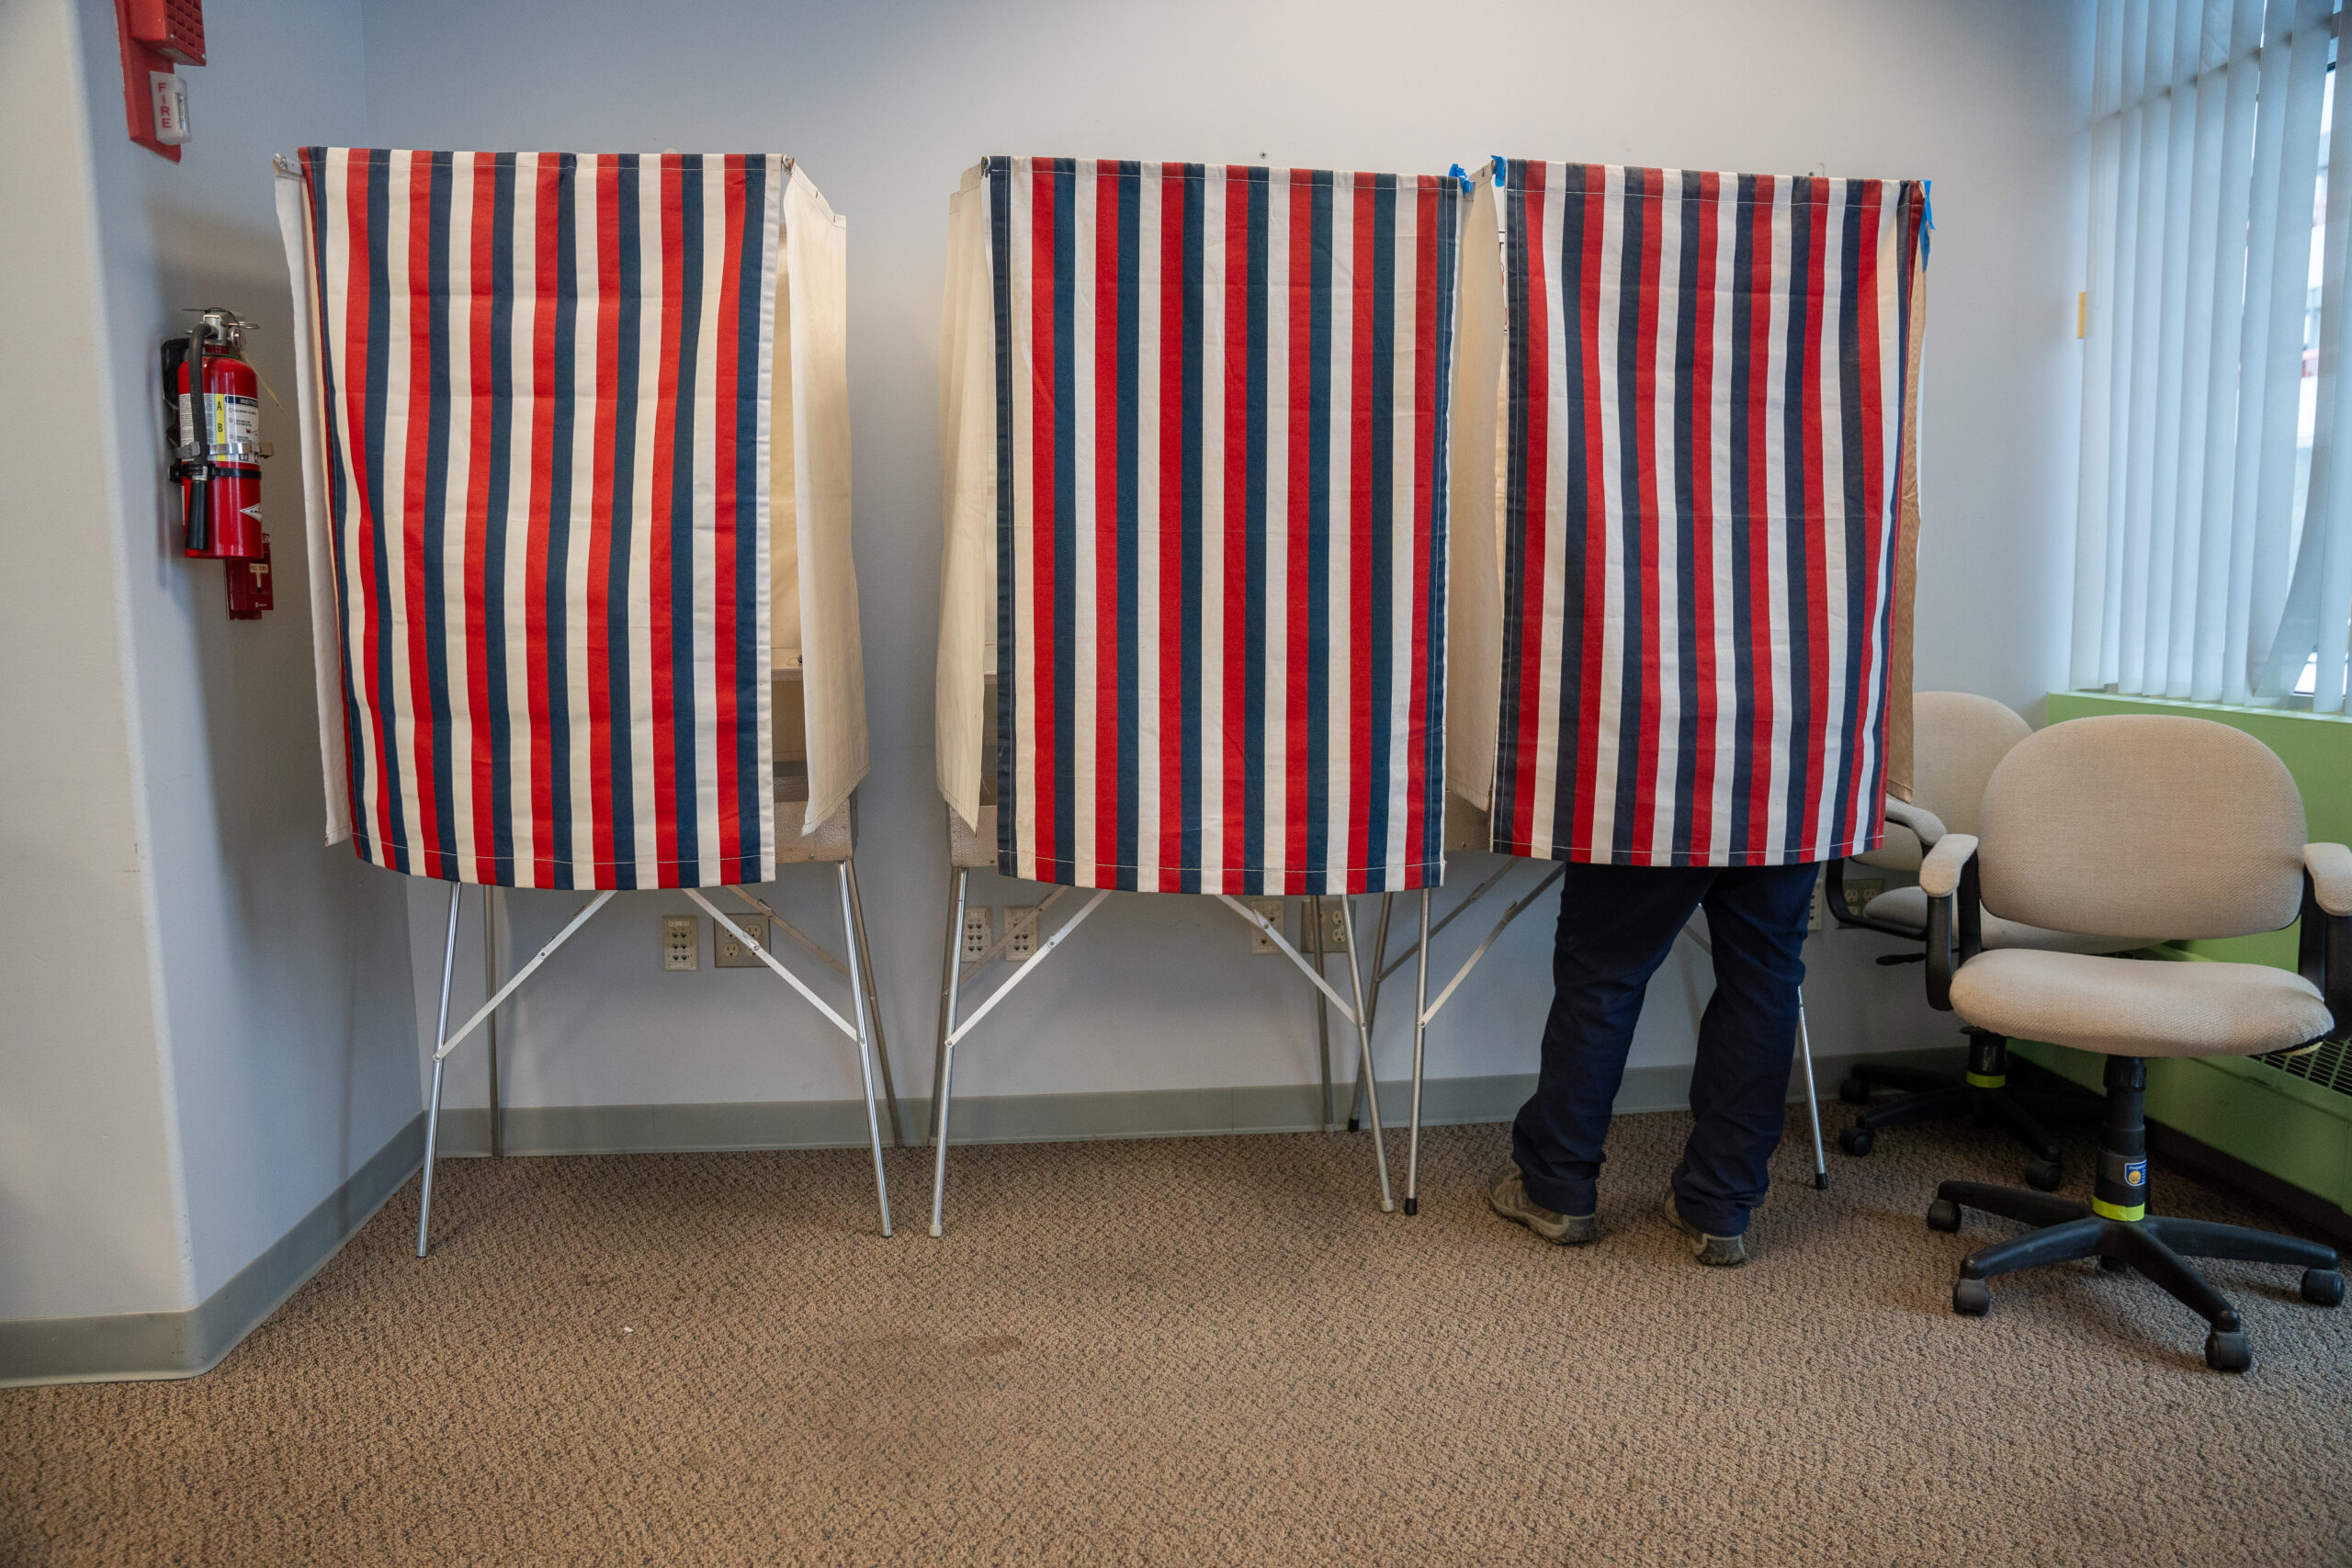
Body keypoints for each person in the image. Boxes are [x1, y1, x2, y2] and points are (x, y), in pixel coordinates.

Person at [1487, 860, 1817, 1267]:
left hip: (1655, 806)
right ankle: (1719, 1207)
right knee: (1762, 986)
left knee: (1603, 975)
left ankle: (1556, 1190)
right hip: (1789, 806)